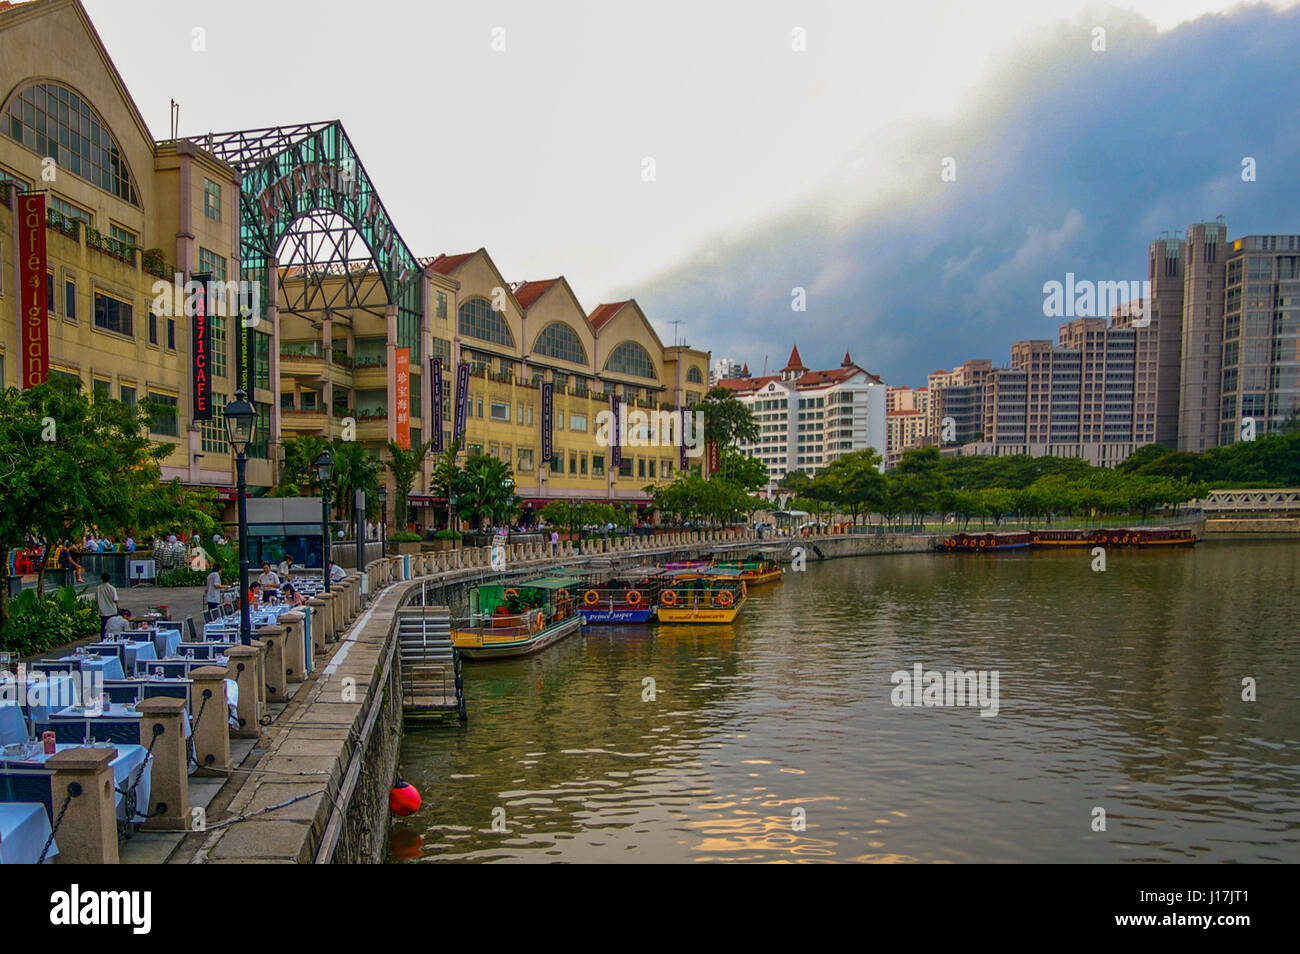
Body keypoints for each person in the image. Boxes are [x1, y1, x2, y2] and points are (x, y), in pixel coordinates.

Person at [95, 573, 119, 637]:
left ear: (101, 579)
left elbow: (96, 599)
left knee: (104, 625)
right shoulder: (112, 588)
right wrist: (118, 607)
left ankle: (103, 639)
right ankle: (113, 638)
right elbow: (115, 600)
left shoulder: (98, 588)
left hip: (103, 610)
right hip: (112, 610)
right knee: (113, 625)